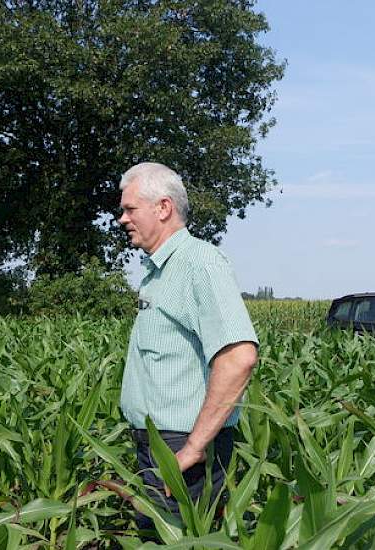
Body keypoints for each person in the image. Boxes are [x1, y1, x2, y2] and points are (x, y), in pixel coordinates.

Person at [117, 162, 259, 534]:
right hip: (158, 443)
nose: (122, 219)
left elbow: (239, 357)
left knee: (181, 539)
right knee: (157, 536)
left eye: (130, 209)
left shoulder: (199, 264)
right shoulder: (160, 269)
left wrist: (194, 447)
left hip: (184, 449)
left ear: (163, 208)